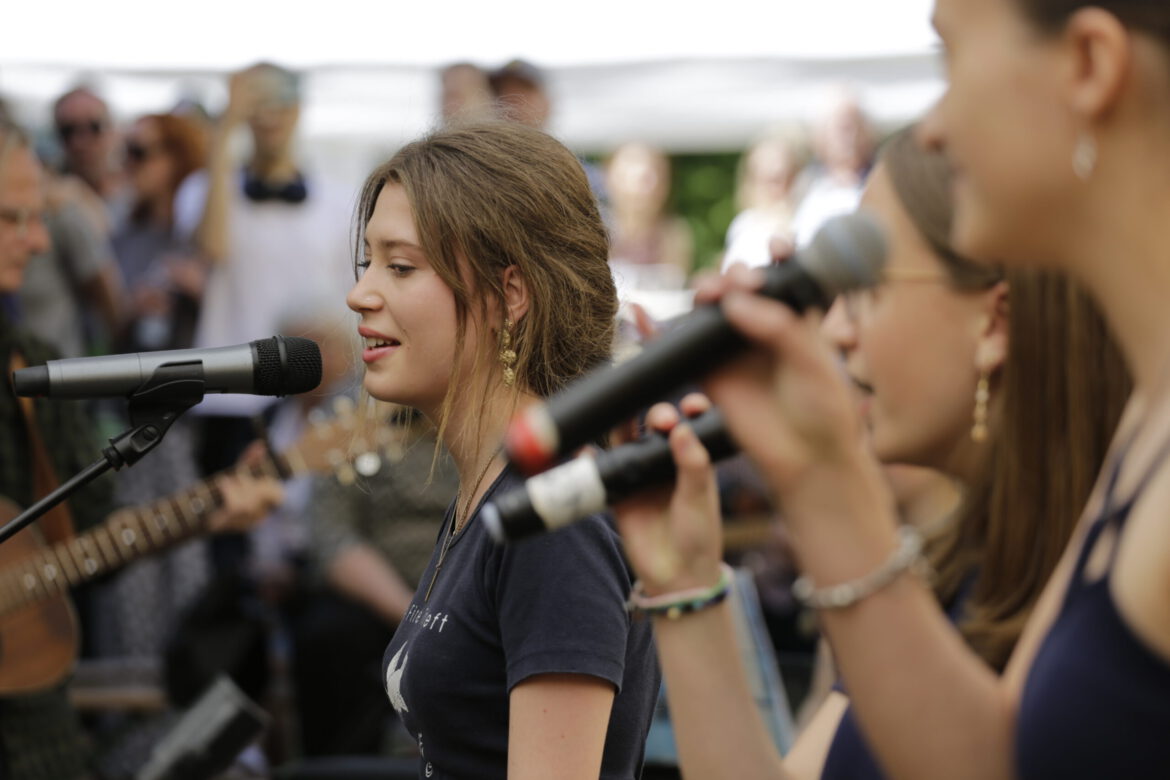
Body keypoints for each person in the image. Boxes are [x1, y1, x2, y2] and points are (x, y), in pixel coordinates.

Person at [616, 0, 1170, 775]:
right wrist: (687, 581)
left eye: (950, 61)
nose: (932, 126)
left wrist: (825, 477)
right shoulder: (1145, 430)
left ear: (1090, 64)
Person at [346, 120, 659, 779]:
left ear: (507, 295)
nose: (362, 293)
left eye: (400, 266)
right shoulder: (486, 490)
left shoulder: (554, 522)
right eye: (366, 262)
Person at [0, 117, 282, 780]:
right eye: (14, 218)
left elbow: (93, 543)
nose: (39, 241)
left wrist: (209, 509)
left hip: (31, 741)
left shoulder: (30, 367)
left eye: (39, 217)